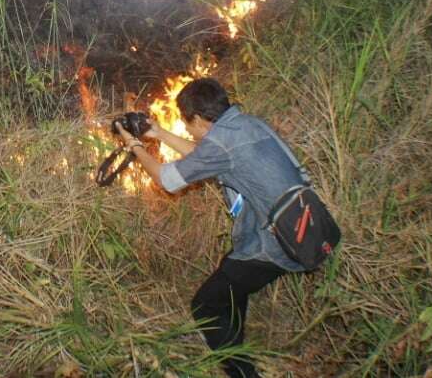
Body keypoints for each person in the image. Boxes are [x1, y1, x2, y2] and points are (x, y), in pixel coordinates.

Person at [114, 77, 306, 377]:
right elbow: (208, 155)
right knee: (231, 281)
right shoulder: (245, 125)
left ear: (200, 119)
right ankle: (234, 344)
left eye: (187, 124)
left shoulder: (222, 145)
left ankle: (241, 372)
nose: (188, 130)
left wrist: (136, 145)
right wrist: (158, 132)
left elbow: (167, 180)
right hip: (300, 226)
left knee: (205, 305)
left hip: (274, 242)